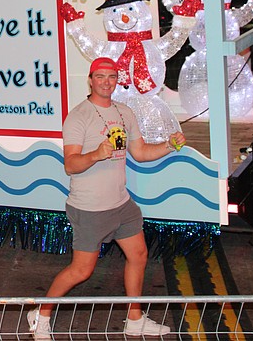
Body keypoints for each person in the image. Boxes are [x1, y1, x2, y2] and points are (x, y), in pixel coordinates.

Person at [28, 57, 186, 340]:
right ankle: (40, 314)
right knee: (81, 271)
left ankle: (135, 318)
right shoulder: (78, 117)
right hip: (90, 208)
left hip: (121, 204)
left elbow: (140, 153)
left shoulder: (124, 112)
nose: (106, 81)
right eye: (100, 76)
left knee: (138, 255)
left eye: (111, 76)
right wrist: (96, 155)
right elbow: (70, 165)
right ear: (90, 80)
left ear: (117, 79)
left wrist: (169, 146)